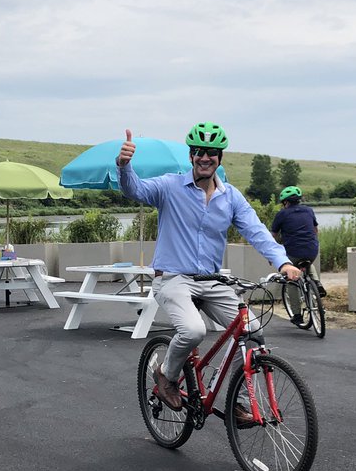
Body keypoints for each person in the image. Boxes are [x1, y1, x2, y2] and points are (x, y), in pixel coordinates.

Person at [117, 123, 301, 414]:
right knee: (193, 331)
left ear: (220, 157)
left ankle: (239, 403)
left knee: (252, 332)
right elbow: (135, 189)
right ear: (191, 156)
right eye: (199, 152)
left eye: (212, 152)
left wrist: (284, 262)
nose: (205, 157)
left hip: (212, 281)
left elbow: (256, 231)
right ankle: (166, 376)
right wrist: (124, 165)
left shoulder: (231, 197)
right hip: (173, 279)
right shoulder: (169, 187)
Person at [271, 185, 323, 324]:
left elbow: (273, 236)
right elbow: (315, 230)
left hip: (293, 252)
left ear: (285, 202)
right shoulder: (309, 210)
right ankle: (317, 283)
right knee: (307, 261)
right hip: (312, 250)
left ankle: (297, 315)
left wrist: (273, 255)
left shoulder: (282, 214)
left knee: (291, 280)